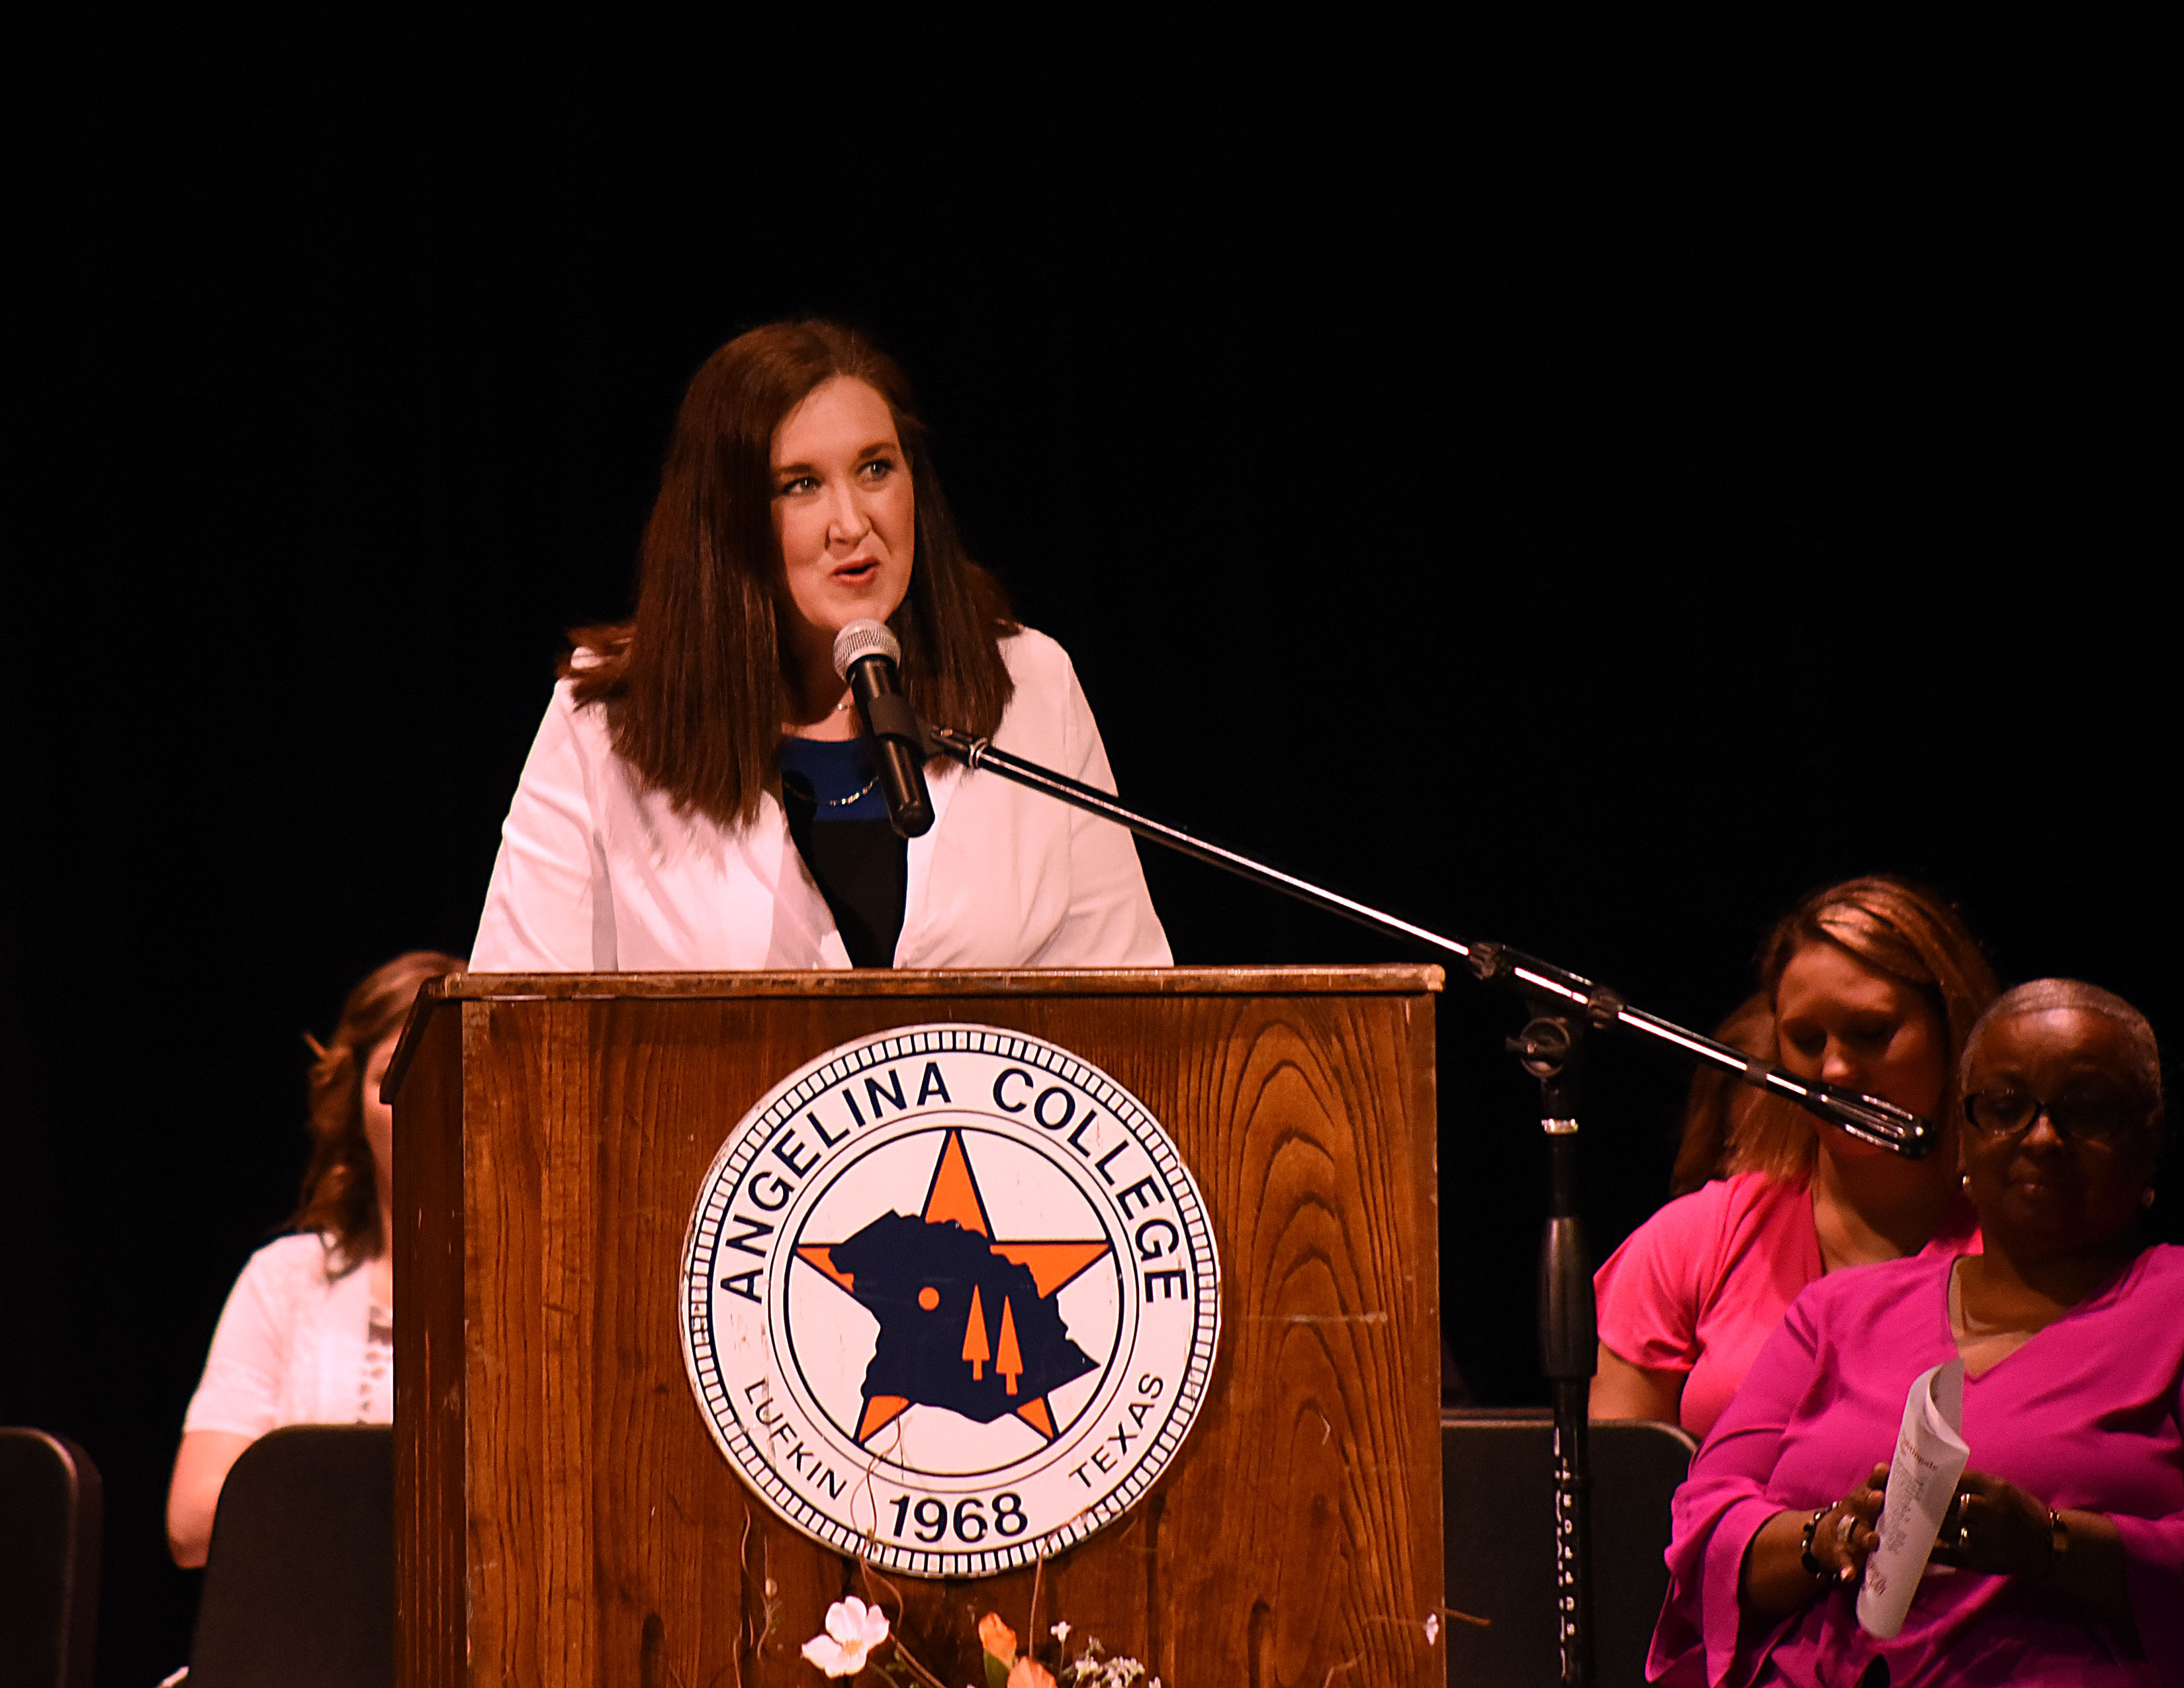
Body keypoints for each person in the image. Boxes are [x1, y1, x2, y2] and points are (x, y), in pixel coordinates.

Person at [469, 320, 1170, 973]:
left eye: (875, 469)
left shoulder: (1029, 683)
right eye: (801, 485)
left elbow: (1131, 1005)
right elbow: (516, 1031)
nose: (852, 523)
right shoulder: (609, 724)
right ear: (727, 523)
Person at [1651, 980, 2179, 1685]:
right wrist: (1829, 1534)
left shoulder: (2170, 1306)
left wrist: (2051, 1545)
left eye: (2085, 1112)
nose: (2043, 1137)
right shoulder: (1838, 1311)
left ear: (2149, 1143)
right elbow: (1709, 1524)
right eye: (2005, 1108)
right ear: (1964, 1141)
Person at [1591, 878, 1998, 1439]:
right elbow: (1617, 1495)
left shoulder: (2021, 1244)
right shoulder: (1690, 1242)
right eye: (1806, 1040)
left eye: (1870, 1032)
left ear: (1953, 1026)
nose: (1834, 1070)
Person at [166, 950, 463, 1568]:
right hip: (295, 1641)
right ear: (353, 1098)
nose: (418, 1100)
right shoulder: (285, 1280)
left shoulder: (540, 1286)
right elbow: (193, 1520)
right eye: (393, 1077)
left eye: (445, 1070)